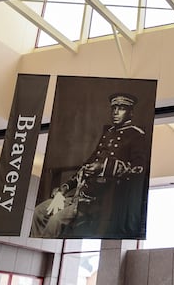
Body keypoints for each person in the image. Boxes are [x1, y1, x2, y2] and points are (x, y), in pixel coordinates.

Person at [32, 92, 150, 238]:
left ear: (130, 112)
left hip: (100, 201)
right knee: (39, 212)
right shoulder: (108, 133)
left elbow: (139, 169)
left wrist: (103, 167)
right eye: (114, 108)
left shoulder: (136, 135)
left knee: (55, 221)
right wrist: (66, 187)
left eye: (121, 108)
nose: (116, 112)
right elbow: (87, 165)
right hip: (79, 196)